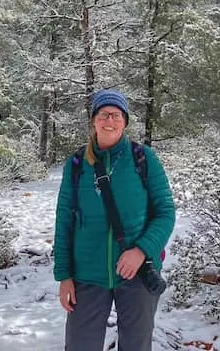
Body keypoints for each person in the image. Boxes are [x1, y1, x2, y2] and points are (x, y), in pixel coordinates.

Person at [53, 88, 176, 351]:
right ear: (93, 120)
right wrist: (64, 276)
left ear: (125, 121)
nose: (110, 121)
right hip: (87, 275)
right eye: (103, 114)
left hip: (137, 273)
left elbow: (166, 212)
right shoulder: (76, 164)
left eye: (117, 115)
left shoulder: (143, 159)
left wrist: (141, 251)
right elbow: (64, 222)